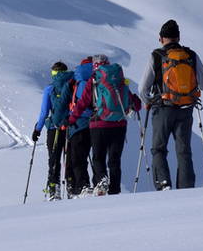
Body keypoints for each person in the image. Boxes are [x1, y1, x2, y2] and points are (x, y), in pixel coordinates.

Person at [138, 20, 203, 189]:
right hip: (186, 108)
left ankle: (163, 183)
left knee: (158, 149)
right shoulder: (190, 55)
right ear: (178, 37)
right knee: (184, 151)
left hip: (162, 108)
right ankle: (186, 186)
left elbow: (143, 88)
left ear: (161, 39)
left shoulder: (156, 56)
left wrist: (147, 102)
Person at [70, 54, 140, 195]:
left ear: (94, 66)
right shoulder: (118, 79)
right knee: (114, 159)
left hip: (99, 124)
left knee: (98, 157)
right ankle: (115, 191)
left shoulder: (94, 79)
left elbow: (83, 102)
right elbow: (135, 103)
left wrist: (72, 119)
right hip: (119, 125)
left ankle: (102, 180)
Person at [32, 62, 75, 199]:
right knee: (70, 158)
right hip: (70, 127)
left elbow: (44, 112)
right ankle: (71, 187)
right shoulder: (72, 86)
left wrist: (37, 129)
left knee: (54, 159)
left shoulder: (50, 89)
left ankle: (53, 189)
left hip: (53, 128)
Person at [66, 57, 95, 196]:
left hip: (78, 123)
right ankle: (96, 184)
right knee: (95, 156)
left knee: (78, 158)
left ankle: (82, 186)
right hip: (98, 123)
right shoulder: (99, 78)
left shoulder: (78, 80)